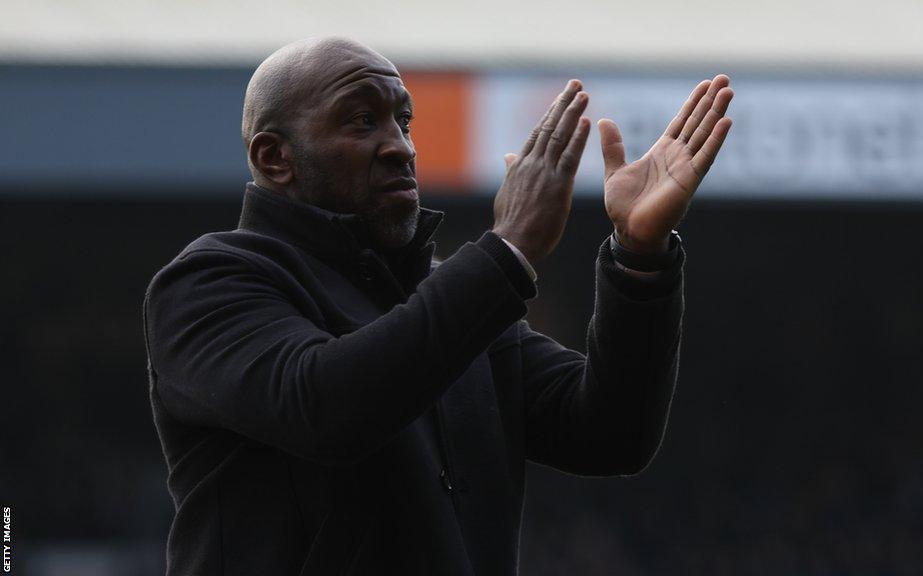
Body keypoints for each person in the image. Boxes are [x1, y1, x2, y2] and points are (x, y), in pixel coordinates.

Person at [142, 36, 733, 575]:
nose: (400, 147)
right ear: (276, 158)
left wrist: (640, 256)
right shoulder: (210, 283)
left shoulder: (459, 302)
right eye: (362, 121)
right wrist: (508, 250)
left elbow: (611, 435)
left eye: (403, 120)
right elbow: (326, 408)